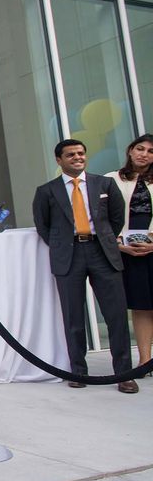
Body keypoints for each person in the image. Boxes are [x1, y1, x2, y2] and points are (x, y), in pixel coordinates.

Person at [32, 138, 138, 393]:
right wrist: (62, 245)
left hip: (102, 253)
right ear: (59, 160)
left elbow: (115, 219)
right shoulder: (47, 191)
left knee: (115, 316)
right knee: (73, 318)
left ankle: (124, 374)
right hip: (69, 256)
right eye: (70, 155)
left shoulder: (105, 184)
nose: (77, 158)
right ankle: (78, 371)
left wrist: (103, 240)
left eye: (81, 153)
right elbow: (43, 226)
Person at [107, 134, 153, 373]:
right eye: (140, 148)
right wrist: (117, 244)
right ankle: (145, 362)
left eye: (150, 151)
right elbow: (101, 218)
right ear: (130, 150)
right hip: (129, 250)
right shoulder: (111, 179)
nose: (144, 154)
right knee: (143, 305)